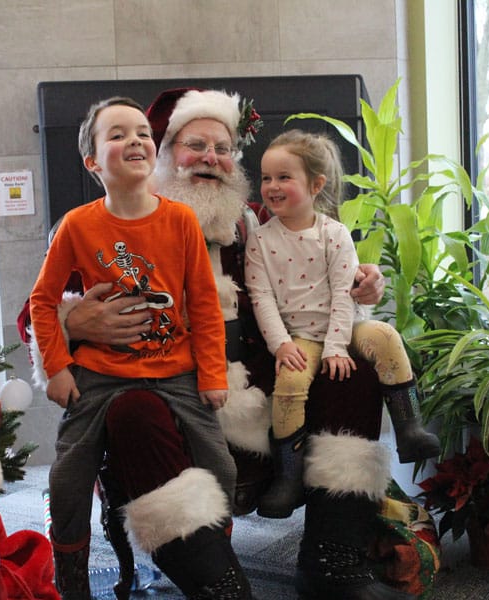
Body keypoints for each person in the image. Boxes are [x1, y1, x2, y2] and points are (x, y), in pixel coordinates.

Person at [25, 88, 435, 600]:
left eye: (223, 148)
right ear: (166, 154)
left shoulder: (254, 223)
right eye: (195, 144)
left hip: (255, 383)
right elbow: (35, 310)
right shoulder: (96, 224)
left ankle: (333, 557)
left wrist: (360, 286)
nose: (211, 159)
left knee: (348, 369)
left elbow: (319, 268)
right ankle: (216, 581)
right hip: (155, 385)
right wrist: (76, 323)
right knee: (133, 412)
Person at [28, 96, 251, 600]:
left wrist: (213, 374)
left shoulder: (180, 221)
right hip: (98, 377)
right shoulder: (77, 226)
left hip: (175, 374)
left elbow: (203, 306)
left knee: (223, 466)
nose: (135, 140)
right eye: (117, 134)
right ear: (91, 162)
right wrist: (58, 366)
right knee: (66, 478)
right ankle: (72, 580)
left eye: (142, 133)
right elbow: (42, 302)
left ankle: (219, 566)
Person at [245, 130, 440, 518]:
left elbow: (341, 294)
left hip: (346, 326)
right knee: (290, 381)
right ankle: (289, 475)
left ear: (316, 185)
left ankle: (408, 427)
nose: (272, 186)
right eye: (266, 178)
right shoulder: (260, 240)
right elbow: (261, 297)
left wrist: (337, 346)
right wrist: (281, 345)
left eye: (284, 177)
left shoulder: (334, 234)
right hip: (299, 335)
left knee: (385, 336)